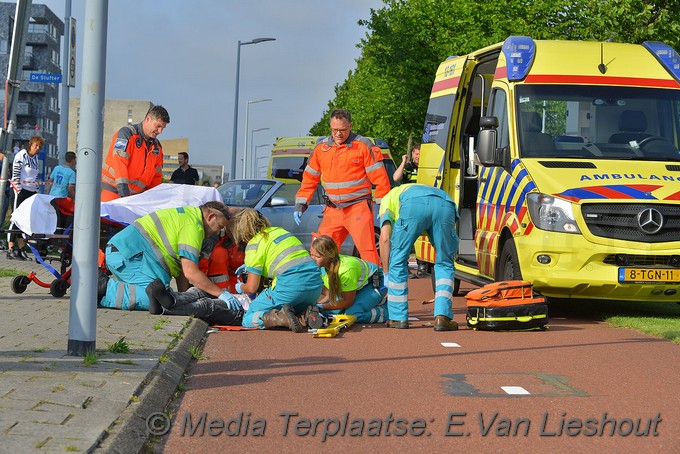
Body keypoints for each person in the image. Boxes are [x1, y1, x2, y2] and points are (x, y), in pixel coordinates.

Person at [294, 109, 390, 266]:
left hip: (358, 207)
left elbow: (381, 179)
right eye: (334, 130)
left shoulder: (363, 146)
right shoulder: (321, 149)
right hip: (333, 210)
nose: (338, 134)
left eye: (343, 130)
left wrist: (382, 208)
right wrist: (301, 203)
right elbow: (309, 179)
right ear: (330, 127)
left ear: (350, 126)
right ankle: (325, 287)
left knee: (367, 251)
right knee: (320, 251)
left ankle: (375, 285)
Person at [98, 201, 231, 311]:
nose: (219, 232)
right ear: (211, 217)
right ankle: (102, 288)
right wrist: (221, 293)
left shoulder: (190, 217)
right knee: (158, 299)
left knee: (165, 297)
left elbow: (182, 270)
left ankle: (106, 287)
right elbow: (191, 272)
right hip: (128, 256)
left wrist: (183, 297)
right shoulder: (194, 227)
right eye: (220, 226)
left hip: (129, 254)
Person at [378, 184, 460, 331]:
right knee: (445, 263)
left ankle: (397, 317)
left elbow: (384, 238)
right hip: (445, 203)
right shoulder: (415, 187)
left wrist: (386, 272)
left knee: (398, 261)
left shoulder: (387, 199)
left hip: (412, 204)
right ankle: (443, 317)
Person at [232, 208, 324, 332]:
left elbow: (251, 288)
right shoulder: (280, 231)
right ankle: (305, 315)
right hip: (315, 288)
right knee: (290, 307)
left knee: (248, 317)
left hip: (291, 288)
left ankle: (282, 318)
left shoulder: (253, 245)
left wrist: (239, 287)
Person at [310, 235, 388, 324]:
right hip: (358, 286)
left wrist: (321, 306)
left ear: (329, 256)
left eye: (317, 256)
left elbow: (347, 302)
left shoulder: (346, 270)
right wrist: (315, 306)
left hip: (377, 281)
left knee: (353, 315)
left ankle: (388, 311)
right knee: (330, 313)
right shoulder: (320, 267)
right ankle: (371, 300)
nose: (313, 259)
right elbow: (328, 295)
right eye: (311, 254)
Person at [101, 105, 170, 202]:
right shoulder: (126, 134)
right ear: (148, 119)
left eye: (163, 128)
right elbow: (119, 162)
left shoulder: (157, 147)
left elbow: (156, 176)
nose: (160, 131)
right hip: (112, 190)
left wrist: (153, 198)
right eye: (158, 126)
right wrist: (124, 193)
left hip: (135, 197)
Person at [7, 136, 44, 260]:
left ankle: (21, 249)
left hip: (31, 191)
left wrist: (37, 189)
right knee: (15, 218)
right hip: (20, 191)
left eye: (39, 146)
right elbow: (15, 173)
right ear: (30, 145)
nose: (37, 148)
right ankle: (10, 248)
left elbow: (35, 176)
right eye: (35, 145)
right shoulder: (21, 155)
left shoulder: (35, 158)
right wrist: (18, 189)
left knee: (24, 221)